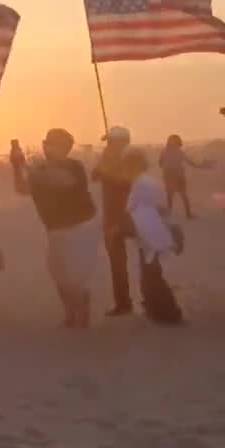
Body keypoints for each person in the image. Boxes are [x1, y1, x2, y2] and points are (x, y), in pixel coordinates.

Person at [11, 130, 100, 329]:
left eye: (54, 144)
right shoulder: (40, 168)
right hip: (55, 228)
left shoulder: (73, 166)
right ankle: (70, 313)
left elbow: (60, 181)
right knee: (59, 275)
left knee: (73, 276)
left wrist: (27, 166)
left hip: (80, 227)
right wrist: (16, 166)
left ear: (65, 148)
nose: (47, 147)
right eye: (47, 143)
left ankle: (82, 315)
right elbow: (22, 188)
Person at [124, 150, 184, 324]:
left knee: (152, 275)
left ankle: (169, 312)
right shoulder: (145, 182)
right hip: (150, 235)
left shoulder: (143, 184)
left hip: (153, 235)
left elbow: (159, 209)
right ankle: (154, 309)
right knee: (149, 274)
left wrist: (172, 231)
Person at [93, 126, 135, 316]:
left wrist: (107, 173)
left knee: (147, 259)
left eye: (111, 141)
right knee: (117, 262)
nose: (108, 145)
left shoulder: (131, 158)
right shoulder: (106, 156)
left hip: (129, 214)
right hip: (113, 214)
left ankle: (150, 297)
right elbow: (95, 176)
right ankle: (123, 302)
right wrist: (101, 169)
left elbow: (129, 183)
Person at [159, 134, 208, 219]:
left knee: (170, 195)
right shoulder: (179, 151)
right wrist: (200, 165)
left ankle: (170, 214)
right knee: (183, 195)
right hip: (178, 175)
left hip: (169, 175)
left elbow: (160, 163)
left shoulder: (164, 151)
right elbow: (190, 162)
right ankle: (188, 214)